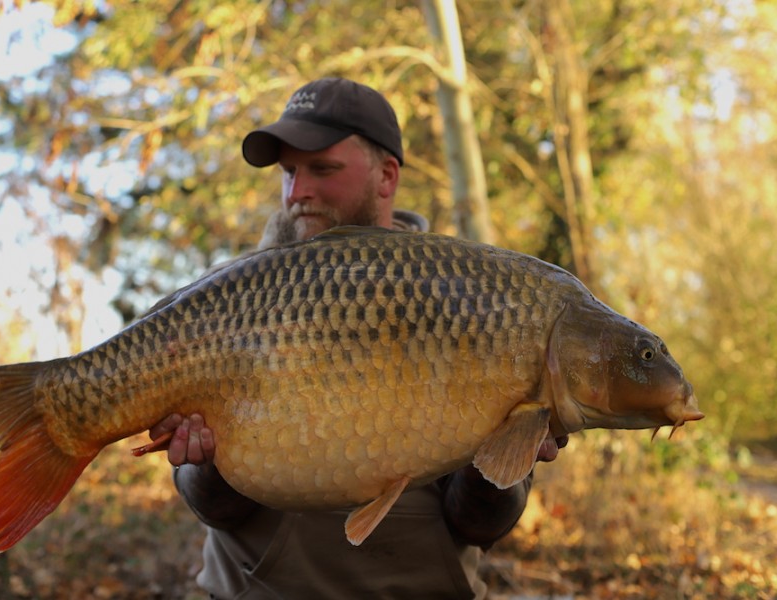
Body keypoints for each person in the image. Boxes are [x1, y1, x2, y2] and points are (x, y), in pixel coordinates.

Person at [149, 77, 567, 599]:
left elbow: (479, 527)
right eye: (288, 172)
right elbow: (215, 510)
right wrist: (205, 462)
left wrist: (499, 457)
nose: (297, 193)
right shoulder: (229, 304)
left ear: (386, 176)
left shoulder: (470, 296)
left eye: (322, 169)